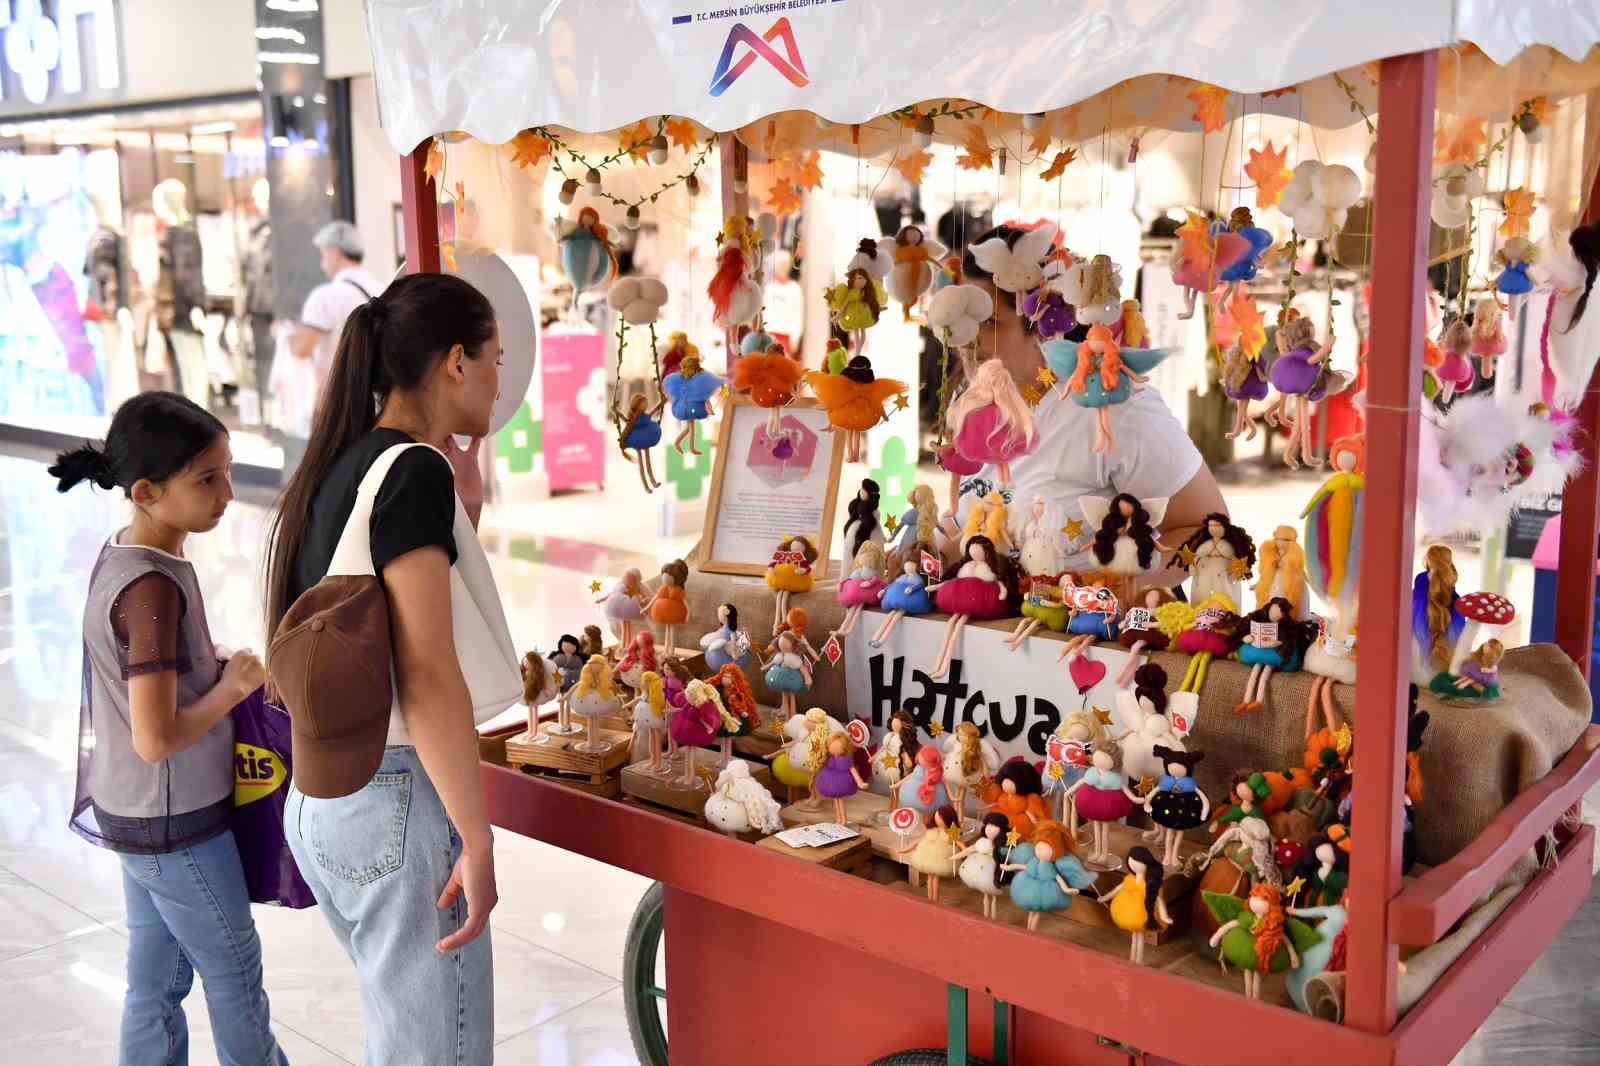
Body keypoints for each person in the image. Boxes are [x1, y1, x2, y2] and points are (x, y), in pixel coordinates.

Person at [264, 272, 506, 1065]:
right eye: (496, 358)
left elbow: (381, 605)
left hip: (325, 796)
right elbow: (427, 672)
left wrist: (463, 504)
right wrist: (476, 837)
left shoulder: (344, 463)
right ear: (456, 363)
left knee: (402, 1042)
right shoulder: (412, 472)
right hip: (397, 800)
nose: (501, 380)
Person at [49, 392, 288, 1065]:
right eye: (206, 479)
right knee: (235, 973)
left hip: (133, 812)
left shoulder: (125, 554)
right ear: (149, 491)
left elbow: (142, 681)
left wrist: (207, 665)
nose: (227, 493)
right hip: (173, 819)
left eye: (226, 471)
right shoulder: (152, 588)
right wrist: (236, 687)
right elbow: (156, 737)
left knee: (154, 983)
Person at [943, 225, 1226, 581]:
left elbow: (1206, 529)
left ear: (1041, 324)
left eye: (987, 322)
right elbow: (986, 523)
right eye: (958, 319)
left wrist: (1110, 595)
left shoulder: (1119, 409)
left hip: (1087, 631)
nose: (965, 338)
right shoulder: (973, 401)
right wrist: (934, 551)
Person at [287, 221, 381, 468]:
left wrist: (288, 336)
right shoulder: (382, 289)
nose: (322, 263)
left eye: (323, 255)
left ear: (335, 253)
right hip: (376, 401)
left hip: (335, 402)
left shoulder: (325, 296)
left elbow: (302, 348)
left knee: (327, 473)